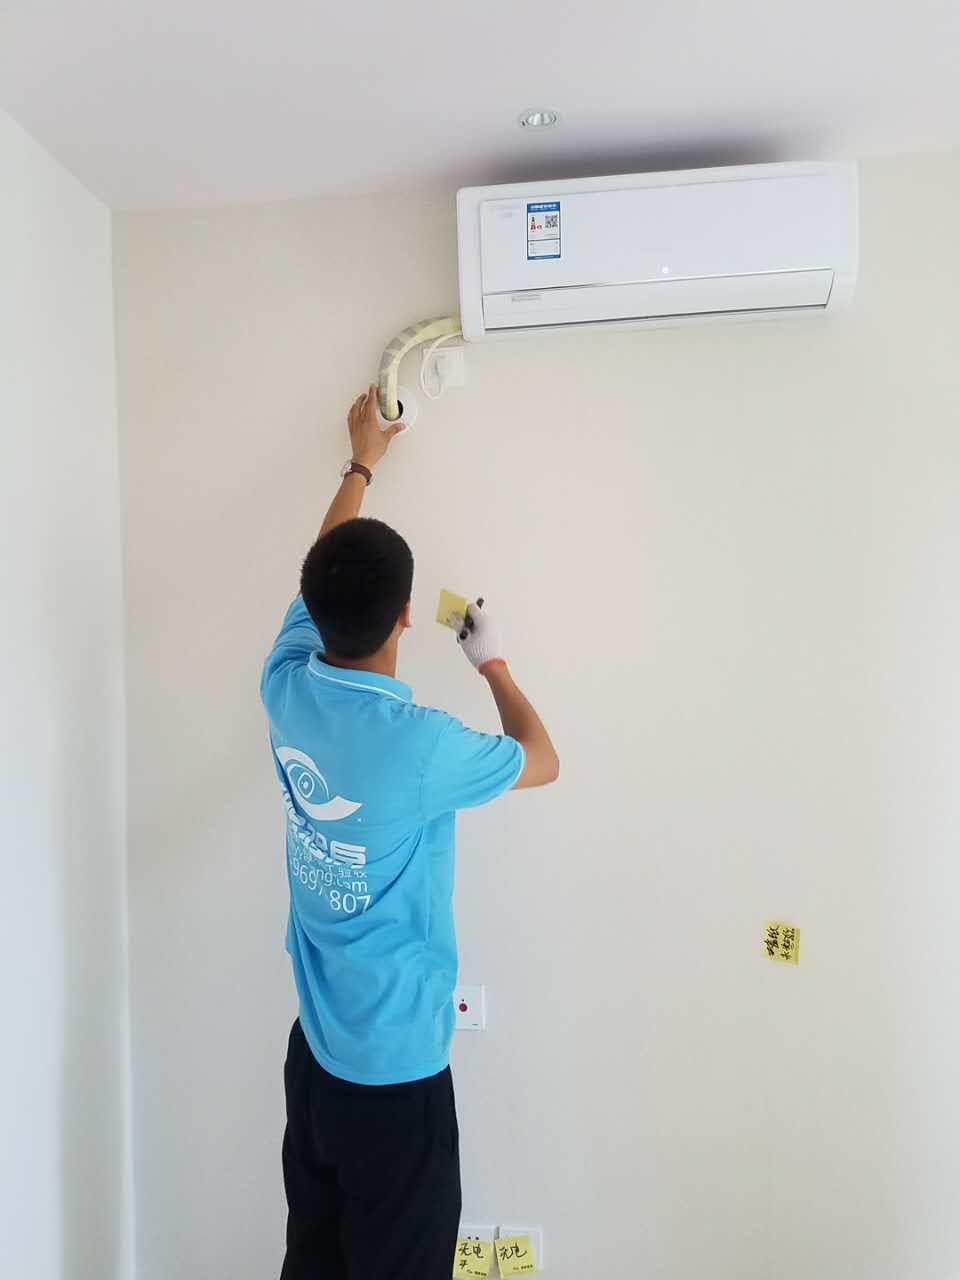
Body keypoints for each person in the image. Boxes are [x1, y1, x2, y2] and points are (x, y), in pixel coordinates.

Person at [260, 386, 559, 1280]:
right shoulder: (421, 746)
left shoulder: (285, 684)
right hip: (393, 1078)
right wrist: (493, 663)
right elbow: (541, 759)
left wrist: (362, 464)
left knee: (313, 1260)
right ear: (404, 618)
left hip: (315, 1056)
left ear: (314, 608)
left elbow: (319, 574)